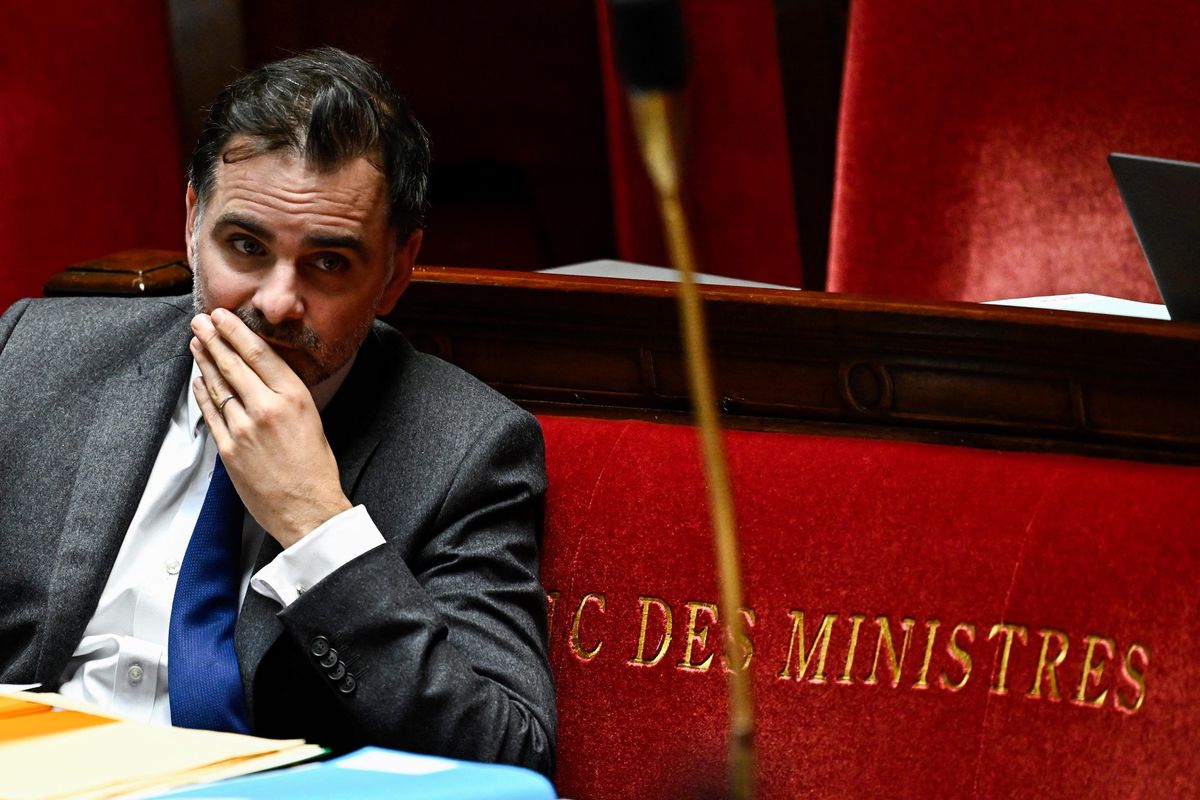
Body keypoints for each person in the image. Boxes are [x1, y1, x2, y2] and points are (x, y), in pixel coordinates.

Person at [0, 48, 555, 776]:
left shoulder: (468, 451)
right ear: (194, 222)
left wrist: (316, 525)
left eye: (329, 262)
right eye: (246, 246)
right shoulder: (30, 353)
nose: (276, 302)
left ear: (396, 270)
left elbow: (506, 759)